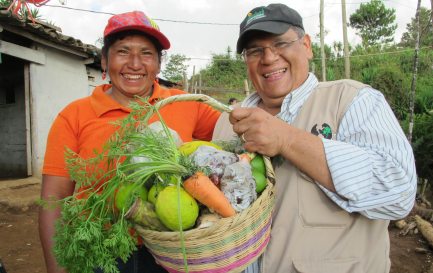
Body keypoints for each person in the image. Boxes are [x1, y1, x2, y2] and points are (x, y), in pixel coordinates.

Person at [212, 3, 417, 273]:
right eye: (255, 50)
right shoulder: (226, 124)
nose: (269, 58)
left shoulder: (352, 100)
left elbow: (398, 193)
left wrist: (287, 140)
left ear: (306, 45)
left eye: (280, 43)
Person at [39, 11, 220, 273]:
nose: (134, 63)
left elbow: (235, 138)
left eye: (146, 53)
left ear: (158, 64)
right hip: (98, 251)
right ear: (104, 60)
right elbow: (53, 199)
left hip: (174, 251)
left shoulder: (186, 104)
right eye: (123, 51)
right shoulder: (74, 116)